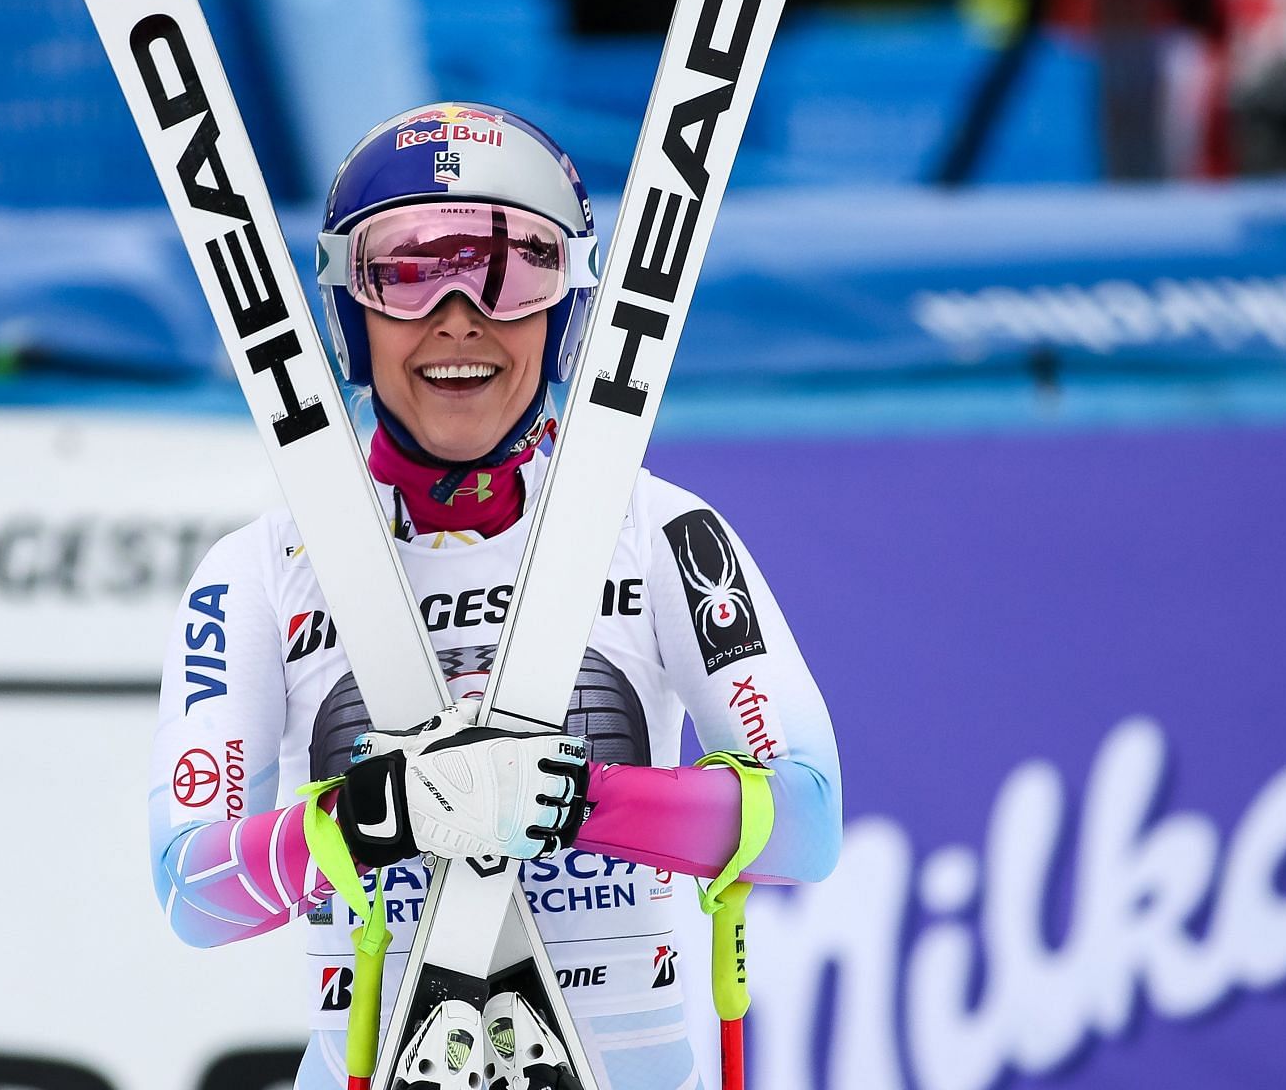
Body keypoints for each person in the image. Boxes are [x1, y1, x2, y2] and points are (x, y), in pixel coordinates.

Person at [148, 103, 842, 1090]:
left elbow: (808, 819)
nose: (460, 316)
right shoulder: (260, 567)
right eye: (408, 269)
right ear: (350, 313)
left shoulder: (666, 534)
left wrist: (574, 799)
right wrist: (373, 816)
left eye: (516, 268)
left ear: (567, 314)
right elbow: (192, 887)